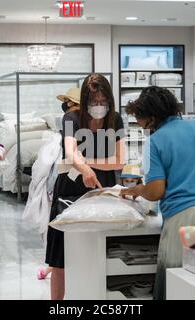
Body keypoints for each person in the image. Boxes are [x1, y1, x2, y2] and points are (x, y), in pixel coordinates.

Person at [120, 86, 195, 300]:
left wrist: (137, 190)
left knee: (180, 287)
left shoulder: (156, 141)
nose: (140, 125)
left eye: (140, 119)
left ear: (151, 117)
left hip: (187, 221)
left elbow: (156, 190)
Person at [46, 73, 126, 300]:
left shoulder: (115, 120)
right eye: (94, 102)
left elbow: (119, 160)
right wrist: (83, 167)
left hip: (103, 188)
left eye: (103, 102)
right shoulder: (72, 119)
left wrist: (85, 163)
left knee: (98, 249)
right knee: (60, 256)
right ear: (85, 101)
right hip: (70, 189)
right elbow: (70, 152)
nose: (99, 107)